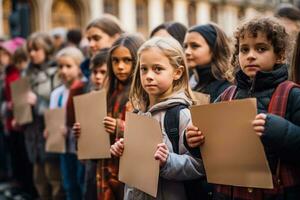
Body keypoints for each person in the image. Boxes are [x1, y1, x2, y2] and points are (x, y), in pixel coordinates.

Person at [186, 17, 300, 200]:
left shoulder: (292, 94)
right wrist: (193, 141)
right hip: (228, 193)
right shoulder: (227, 96)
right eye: (244, 49)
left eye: (261, 48)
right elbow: (212, 151)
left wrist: (281, 130)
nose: (251, 55)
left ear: (279, 55)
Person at [110, 37, 204, 200]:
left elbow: (199, 166)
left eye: (158, 69)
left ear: (177, 72)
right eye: (144, 69)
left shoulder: (182, 114)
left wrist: (168, 161)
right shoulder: (137, 112)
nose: (148, 76)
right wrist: (122, 150)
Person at [74, 34, 144, 200]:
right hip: (103, 171)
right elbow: (94, 141)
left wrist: (120, 128)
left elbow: (152, 137)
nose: (120, 66)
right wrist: (83, 134)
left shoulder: (143, 95)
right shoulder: (105, 94)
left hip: (130, 176)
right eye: (115, 61)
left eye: (127, 60)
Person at [24, 32, 64, 200]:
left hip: (51, 129)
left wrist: (38, 101)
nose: (32, 54)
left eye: (36, 49)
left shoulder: (57, 71)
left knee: (54, 178)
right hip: (33, 130)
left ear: (46, 49)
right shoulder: (28, 73)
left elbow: (60, 103)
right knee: (39, 179)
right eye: (30, 50)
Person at [46, 46, 86, 200]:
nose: (63, 70)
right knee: (69, 184)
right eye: (60, 66)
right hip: (64, 148)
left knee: (82, 183)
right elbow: (53, 117)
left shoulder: (84, 88)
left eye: (68, 66)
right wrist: (51, 129)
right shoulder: (57, 93)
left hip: (80, 147)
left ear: (79, 67)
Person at [73, 48, 109, 200]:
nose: (98, 77)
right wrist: (79, 136)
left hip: (111, 167)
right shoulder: (89, 97)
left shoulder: (119, 99)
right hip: (92, 166)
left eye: (103, 72)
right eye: (94, 72)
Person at [183, 23, 233, 102]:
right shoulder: (187, 83)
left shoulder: (228, 87)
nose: (187, 52)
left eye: (194, 46)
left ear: (214, 49)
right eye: (185, 46)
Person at [81, 15, 123, 79]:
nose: (91, 44)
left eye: (96, 38)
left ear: (115, 38)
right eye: (89, 40)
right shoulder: (85, 69)